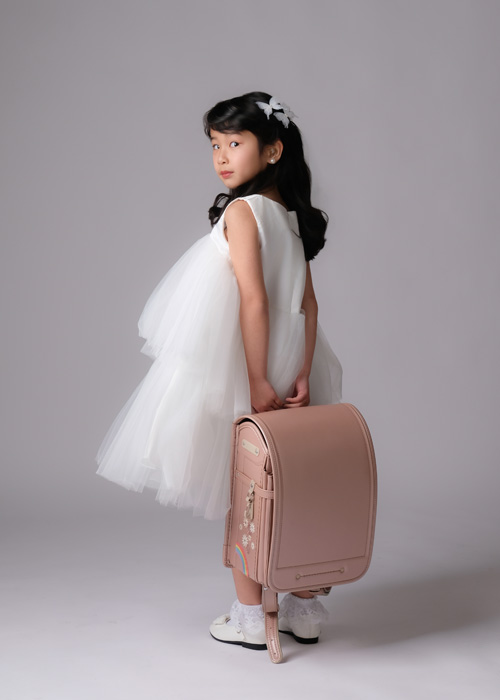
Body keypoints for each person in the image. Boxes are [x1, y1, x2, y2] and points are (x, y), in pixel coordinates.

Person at [95, 91, 342, 651]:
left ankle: (251, 617)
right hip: (292, 357)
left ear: (273, 150)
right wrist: (303, 371)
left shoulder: (243, 212)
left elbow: (254, 299)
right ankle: (304, 609)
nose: (222, 157)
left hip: (249, 362)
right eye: (214, 145)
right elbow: (308, 304)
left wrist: (256, 378)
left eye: (235, 143)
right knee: (295, 482)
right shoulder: (291, 218)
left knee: (248, 491)